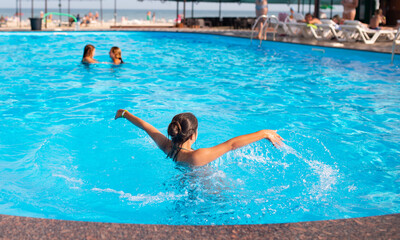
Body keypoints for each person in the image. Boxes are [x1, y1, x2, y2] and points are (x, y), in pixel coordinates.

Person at [114, 111, 284, 166]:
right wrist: (263, 133)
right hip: (204, 192)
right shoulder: (196, 156)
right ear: (193, 135)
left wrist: (124, 114)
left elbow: (145, 126)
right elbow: (231, 144)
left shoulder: (168, 147)